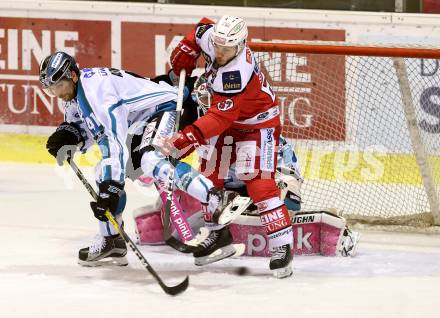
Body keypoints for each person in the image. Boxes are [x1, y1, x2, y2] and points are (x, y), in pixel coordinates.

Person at [39, 51, 238, 267]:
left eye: (59, 86)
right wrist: (70, 136)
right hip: (140, 124)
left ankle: (215, 197)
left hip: (168, 106)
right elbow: (86, 127)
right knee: (101, 173)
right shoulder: (76, 93)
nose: (57, 93)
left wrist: (112, 187)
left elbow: (112, 140)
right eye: (51, 89)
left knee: (150, 160)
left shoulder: (97, 91)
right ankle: (111, 240)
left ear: (73, 76)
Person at [162, 16, 294, 278]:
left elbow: (220, 117)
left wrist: (187, 138)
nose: (220, 53)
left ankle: (282, 247)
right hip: (228, 124)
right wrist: (187, 51)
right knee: (209, 178)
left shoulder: (237, 72)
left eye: (227, 49)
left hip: (258, 126)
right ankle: (217, 235)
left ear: (241, 44)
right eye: (217, 47)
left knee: (258, 182)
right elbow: (200, 28)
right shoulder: (212, 37)